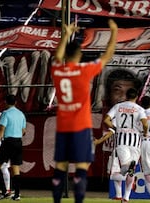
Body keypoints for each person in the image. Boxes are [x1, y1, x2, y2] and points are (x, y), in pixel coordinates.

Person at [50, 19, 117, 203]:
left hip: (63, 127)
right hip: (80, 126)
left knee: (61, 166)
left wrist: (65, 35)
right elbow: (107, 55)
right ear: (79, 55)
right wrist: (114, 32)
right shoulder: (84, 70)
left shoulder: (57, 71)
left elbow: (57, 57)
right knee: (81, 166)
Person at [103, 88, 148, 203]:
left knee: (125, 168)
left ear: (126, 95)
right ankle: (126, 198)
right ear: (137, 97)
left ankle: (129, 170)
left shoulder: (118, 107)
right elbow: (145, 124)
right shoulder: (140, 109)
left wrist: (115, 128)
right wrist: (145, 132)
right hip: (135, 142)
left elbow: (106, 120)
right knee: (129, 171)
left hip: (122, 141)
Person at [0, 94, 26, 201]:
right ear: (16, 102)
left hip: (8, 142)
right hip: (18, 142)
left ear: (6, 102)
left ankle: (4, 192)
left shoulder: (6, 113)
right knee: (16, 169)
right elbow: (23, 131)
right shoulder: (21, 114)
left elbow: (2, 129)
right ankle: (17, 195)